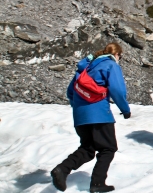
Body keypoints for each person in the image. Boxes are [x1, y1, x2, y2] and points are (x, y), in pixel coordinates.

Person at [51, 42, 130, 193]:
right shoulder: (111, 65)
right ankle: (97, 183)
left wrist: (81, 109)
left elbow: (70, 92)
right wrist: (125, 109)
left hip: (80, 116)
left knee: (88, 149)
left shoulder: (85, 67)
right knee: (108, 148)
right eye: (120, 56)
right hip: (99, 115)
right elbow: (117, 90)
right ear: (116, 54)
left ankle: (62, 169)